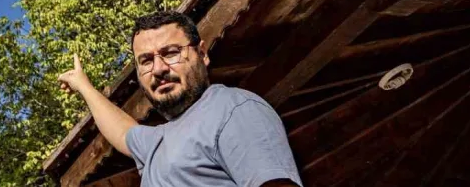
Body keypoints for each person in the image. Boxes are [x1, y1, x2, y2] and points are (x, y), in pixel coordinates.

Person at [57, 11, 302, 187]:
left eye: (171, 53)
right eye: (146, 61)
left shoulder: (231, 109)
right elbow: (122, 133)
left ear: (202, 54)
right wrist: (83, 86)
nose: (159, 68)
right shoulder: (157, 142)